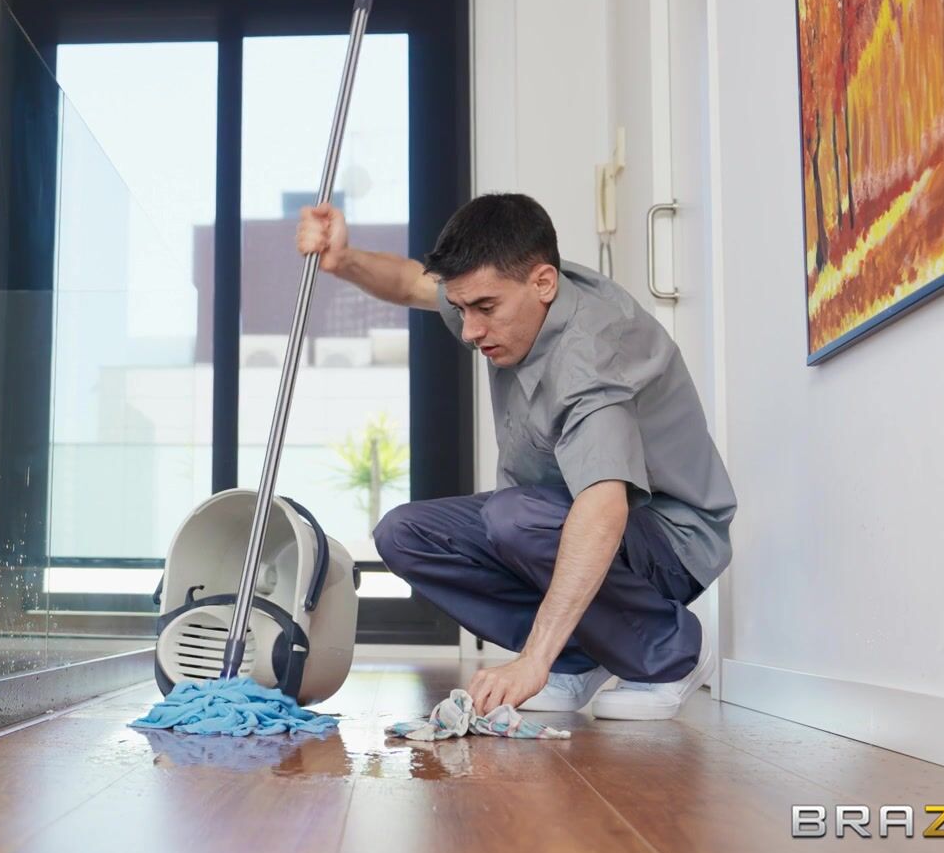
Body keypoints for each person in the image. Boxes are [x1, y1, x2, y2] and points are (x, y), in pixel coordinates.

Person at [296, 192, 734, 720]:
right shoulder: (507, 289)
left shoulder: (592, 353)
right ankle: (578, 658)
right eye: (461, 309)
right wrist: (343, 260)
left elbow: (603, 508)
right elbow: (413, 284)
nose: (470, 331)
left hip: (668, 537)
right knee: (404, 534)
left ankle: (671, 655)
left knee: (516, 518)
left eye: (484, 309)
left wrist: (531, 660)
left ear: (544, 283)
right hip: (558, 517)